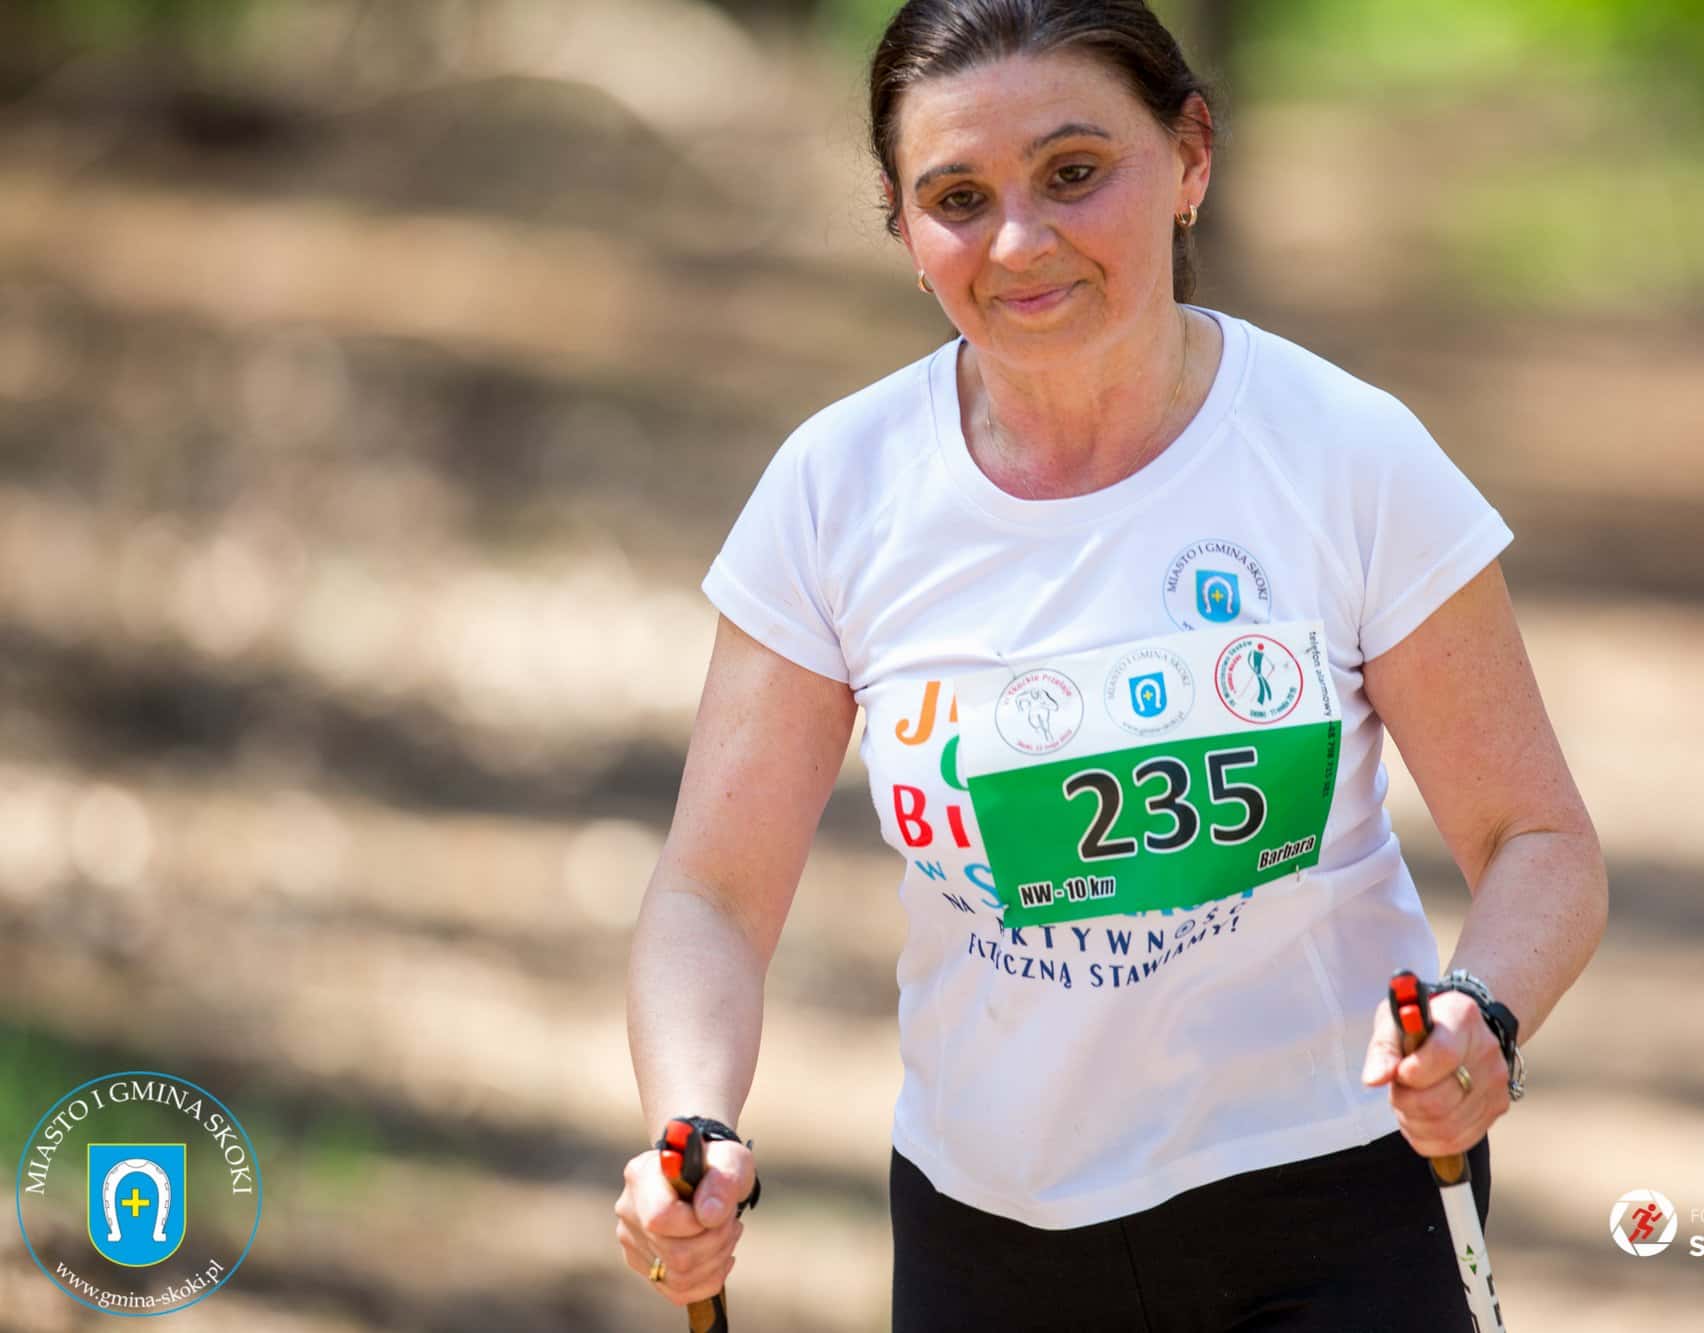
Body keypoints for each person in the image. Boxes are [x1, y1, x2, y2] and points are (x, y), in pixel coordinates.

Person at [612, 1, 1608, 1328]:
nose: (1020, 241)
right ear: (903, 228)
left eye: (1074, 172)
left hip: (1338, 1197)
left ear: (1190, 157)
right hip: (990, 1233)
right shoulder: (836, 491)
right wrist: (692, 1128)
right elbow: (714, 895)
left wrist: (1482, 1014)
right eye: (958, 198)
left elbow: (1538, 838)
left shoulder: (1343, 454)